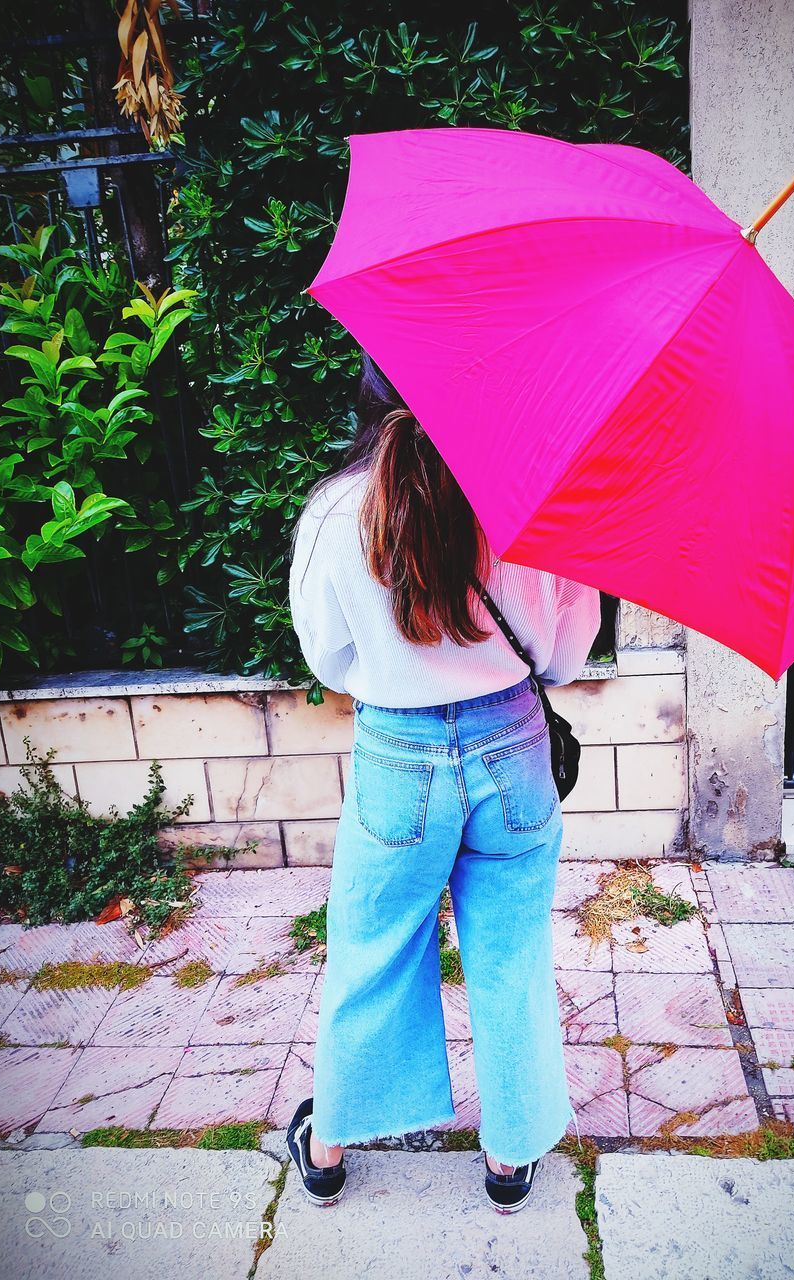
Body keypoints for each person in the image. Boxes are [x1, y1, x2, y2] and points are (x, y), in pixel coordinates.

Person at [284, 352, 601, 1214]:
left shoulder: (333, 514)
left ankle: (329, 1147)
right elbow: (567, 660)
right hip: (512, 750)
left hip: (398, 757)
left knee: (371, 945)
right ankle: (509, 1157)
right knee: (509, 954)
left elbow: (330, 659)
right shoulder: (531, 500)